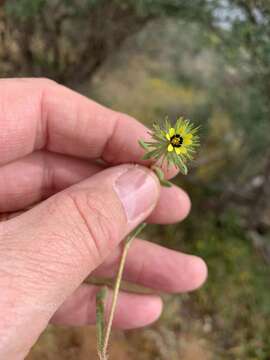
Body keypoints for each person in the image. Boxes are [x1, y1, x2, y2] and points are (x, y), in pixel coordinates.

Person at [0, 78, 207, 359]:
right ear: (170, 139)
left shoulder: (169, 151)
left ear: (175, 143)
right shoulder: (161, 150)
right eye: (174, 138)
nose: (175, 140)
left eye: (176, 140)